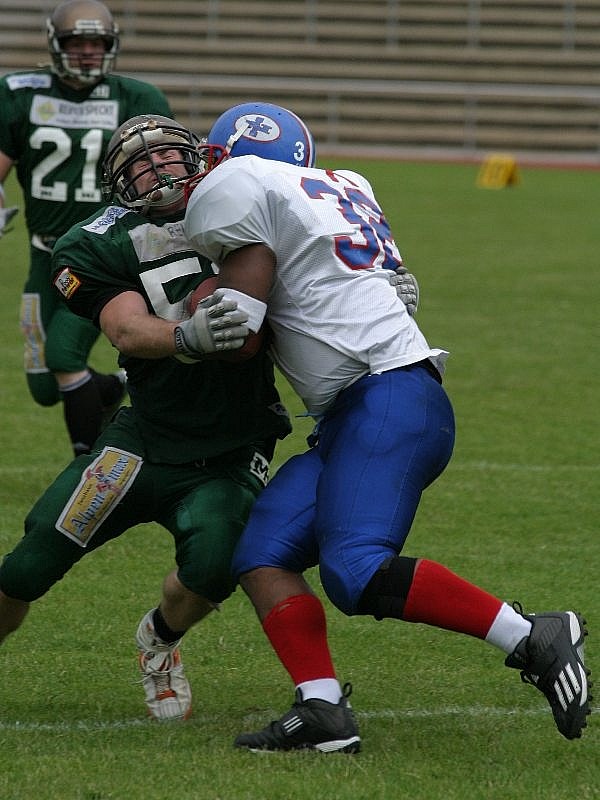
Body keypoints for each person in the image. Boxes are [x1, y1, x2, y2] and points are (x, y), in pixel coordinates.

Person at [183, 102, 592, 751]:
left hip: (387, 397)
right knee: (263, 553)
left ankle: (534, 634)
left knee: (354, 571)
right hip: (361, 408)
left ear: (235, 165)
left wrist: (186, 325)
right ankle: (322, 709)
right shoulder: (337, 186)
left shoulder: (243, 186)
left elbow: (241, 326)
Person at [0, 114, 293, 722]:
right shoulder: (96, 240)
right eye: (140, 161)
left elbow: (322, 267)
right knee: (27, 566)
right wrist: (187, 336)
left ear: (198, 157)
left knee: (214, 567)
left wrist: (378, 287)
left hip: (234, 444)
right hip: (143, 439)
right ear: (117, 182)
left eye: (167, 154)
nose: (158, 167)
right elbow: (126, 329)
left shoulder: (248, 205)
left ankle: (159, 641)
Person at [0, 0, 173, 457]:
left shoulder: (136, 99)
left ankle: (89, 468)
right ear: (56, 45)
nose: (89, 52)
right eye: (78, 42)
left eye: (98, 43)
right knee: (43, 386)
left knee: (63, 356)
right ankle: (112, 388)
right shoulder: (18, 94)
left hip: (102, 254)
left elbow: (161, 175)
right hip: (43, 253)